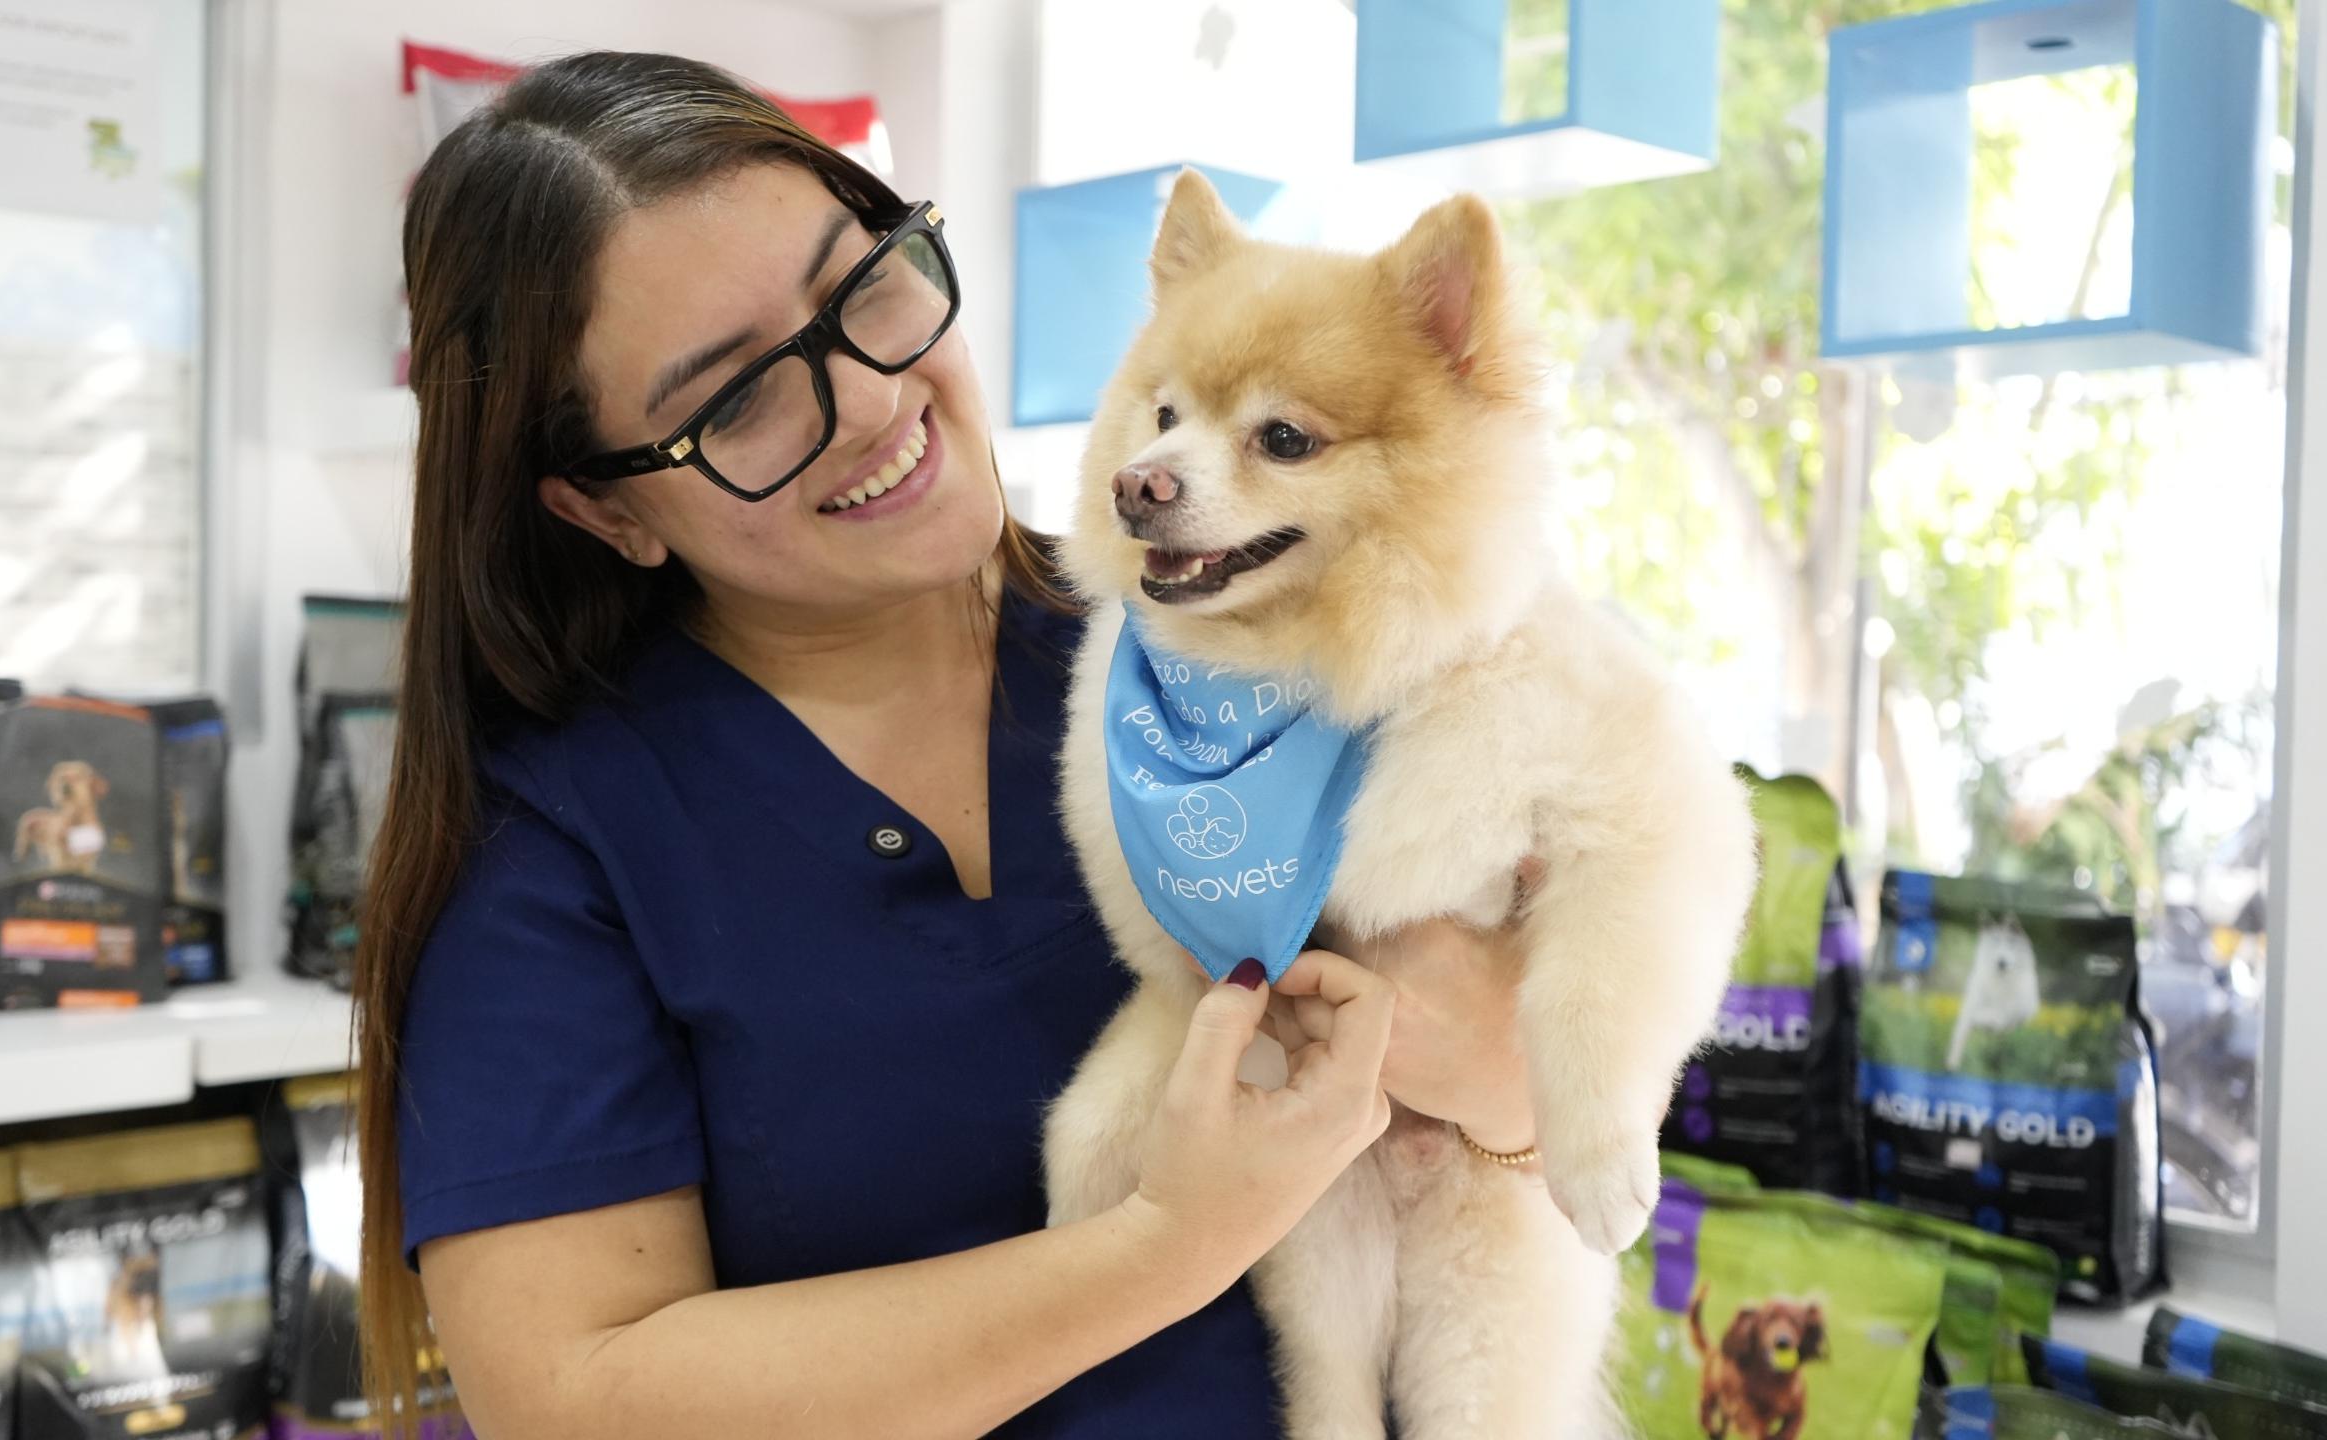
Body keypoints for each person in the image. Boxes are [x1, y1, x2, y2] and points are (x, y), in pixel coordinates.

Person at [354, 51, 1545, 1440]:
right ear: (603, 510)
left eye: (865, 286)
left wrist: (1507, 1088)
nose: (869, 398)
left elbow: (1548, 1111)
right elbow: (576, 1403)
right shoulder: (559, 856)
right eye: (735, 400)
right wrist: (1165, 1240)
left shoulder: (1244, 638)